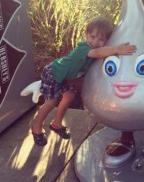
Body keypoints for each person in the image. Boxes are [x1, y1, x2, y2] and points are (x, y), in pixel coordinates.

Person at [31, 16, 137, 146]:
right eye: (92, 37)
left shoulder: (96, 50)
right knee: (51, 102)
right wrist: (116, 49)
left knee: (69, 97)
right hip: (53, 73)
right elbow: (98, 52)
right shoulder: (84, 48)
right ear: (86, 35)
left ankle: (56, 124)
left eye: (101, 39)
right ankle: (36, 127)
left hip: (65, 78)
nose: (95, 41)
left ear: (107, 41)